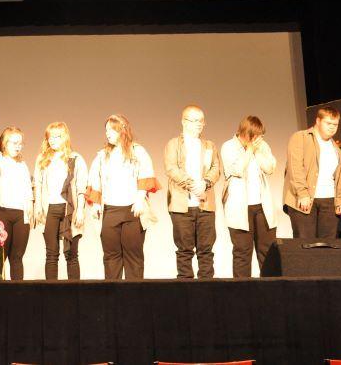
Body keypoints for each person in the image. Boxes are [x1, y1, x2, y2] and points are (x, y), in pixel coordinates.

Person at [87, 114, 159, 280]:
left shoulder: (137, 151)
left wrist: (140, 198)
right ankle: (112, 293)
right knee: (111, 257)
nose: (107, 133)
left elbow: (146, 173)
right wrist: (96, 204)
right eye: (106, 130)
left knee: (133, 256)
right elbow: (95, 178)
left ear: (122, 131)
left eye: (111, 130)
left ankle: (134, 293)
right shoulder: (103, 155)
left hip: (131, 210)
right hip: (110, 211)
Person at [163, 105, 221, 279]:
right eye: (194, 120)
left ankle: (207, 288)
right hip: (182, 205)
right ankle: (185, 288)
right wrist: (192, 185)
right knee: (184, 251)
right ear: (184, 122)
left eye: (201, 121)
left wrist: (205, 183)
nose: (198, 124)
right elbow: (171, 169)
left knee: (206, 251)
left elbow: (216, 168)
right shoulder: (173, 144)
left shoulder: (209, 145)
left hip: (205, 205)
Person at [0, 98, 33, 280]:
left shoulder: (22, 165)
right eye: (13, 142)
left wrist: (30, 211)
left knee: (17, 258)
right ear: (4, 143)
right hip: (0, 213)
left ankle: (18, 294)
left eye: (20, 143)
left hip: (21, 216)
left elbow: (28, 191)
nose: (18, 146)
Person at [221, 115, 277, 278]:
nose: (258, 139)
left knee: (267, 251)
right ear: (244, 132)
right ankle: (242, 290)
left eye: (260, 136)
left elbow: (270, 168)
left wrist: (257, 150)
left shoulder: (262, 146)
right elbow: (237, 169)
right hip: (239, 208)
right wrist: (250, 150)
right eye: (254, 135)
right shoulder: (229, 146)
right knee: (242, 252)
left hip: (262, 207)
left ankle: (270, 289)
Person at [33, 122, 88, 280]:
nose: (53, 140)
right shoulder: (43, 159)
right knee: (51, 254)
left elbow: (81, 187)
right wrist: (38, 205)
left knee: (71, 254)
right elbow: (37, 184)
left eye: (57, 136)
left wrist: (80, 210)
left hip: (69, 209)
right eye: (50, 137)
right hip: (50, 209)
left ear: (65, 137)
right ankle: (51, 292)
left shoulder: (75, 158)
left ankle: (75, 292)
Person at [284, 106, 341, 239]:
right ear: (318, 121)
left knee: (328, 245)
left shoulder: (336, 148)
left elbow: (339, 177)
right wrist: (302, 193)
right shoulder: (301, 137)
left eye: (335, 124)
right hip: (305, 199)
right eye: (328, 123)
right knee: (306, 245)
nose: (332, 127)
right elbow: (295, 167)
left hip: (329, 201)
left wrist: (340, 200)